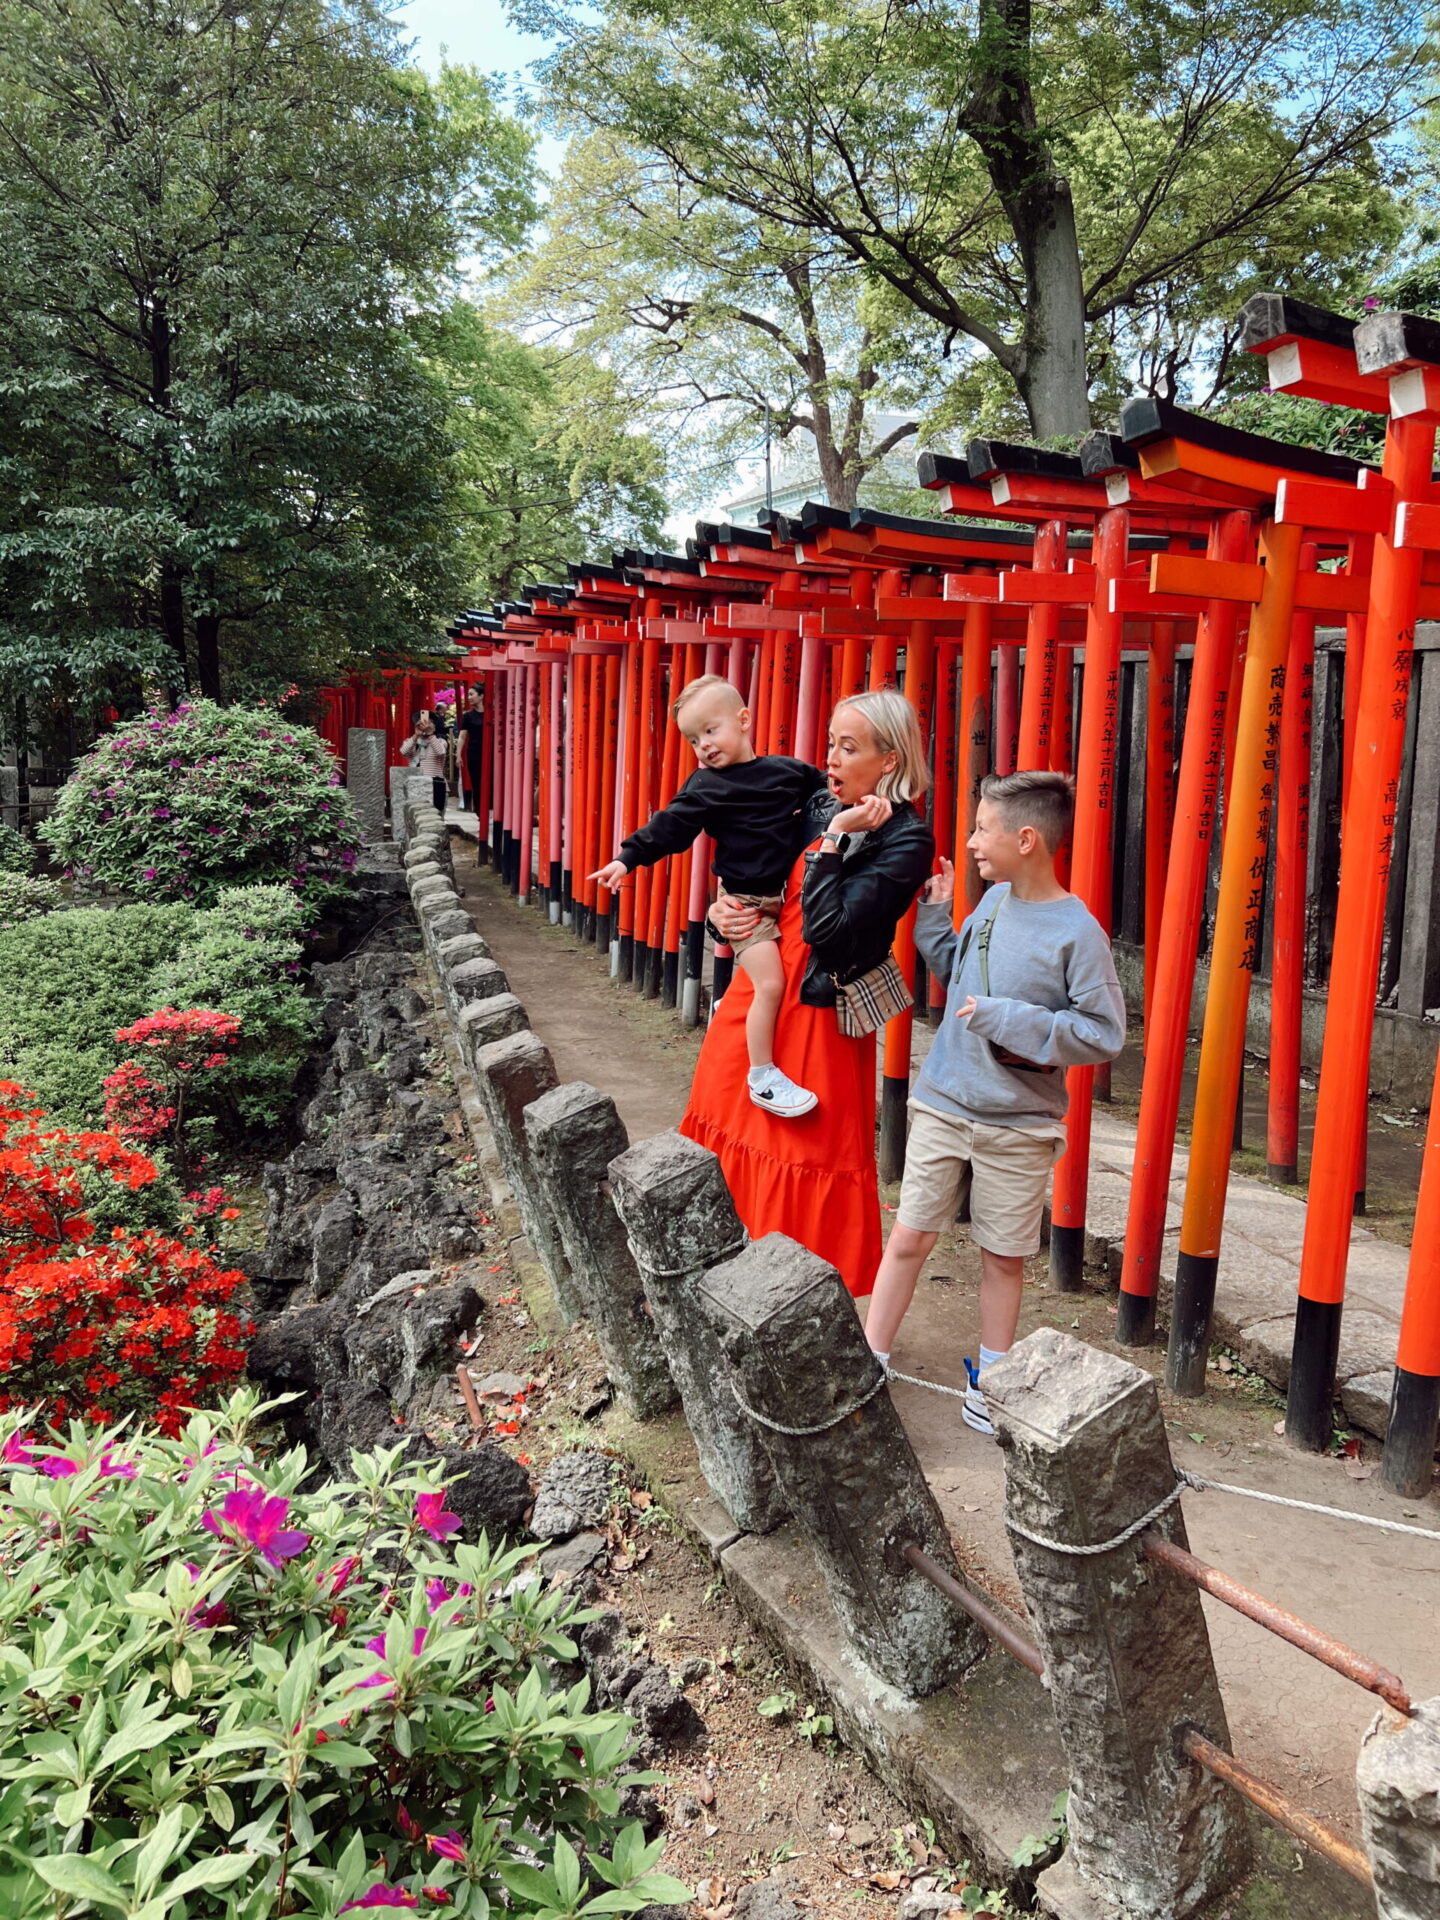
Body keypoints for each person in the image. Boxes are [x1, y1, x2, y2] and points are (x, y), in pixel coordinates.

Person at [864, 769, 1126, 1435]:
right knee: (909, 1238)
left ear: (1027, 839)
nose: (974, 841)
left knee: (1003, 1258)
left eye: (984, 828)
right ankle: (870, 1363)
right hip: (946, 1102)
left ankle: (993, 1382)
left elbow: (1103, 1034)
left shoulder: (1079, 933)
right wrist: (933, 909)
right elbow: (956, 971)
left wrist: (1010, 1020)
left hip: (1020, 1123)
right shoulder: (989, 904)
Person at [682, 689, 934, 1296]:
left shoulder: (907, 841)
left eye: (849, 749)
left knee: (805, 1149)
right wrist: (726, 910)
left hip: (821, 1005)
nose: (832, 760)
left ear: (890, 760)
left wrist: (832, 840)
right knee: (721, 1110)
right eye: (830, 745)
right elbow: (750, 859)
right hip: (761, 989)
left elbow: (829, 928)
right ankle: (708, 1274)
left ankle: (792, 1301)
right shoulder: (815, 802)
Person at [591, 674, 828, 1117]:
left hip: (789, 897)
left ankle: (734, 1008)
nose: (703, 745)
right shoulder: (706, 786)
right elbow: (668, 826)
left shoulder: (787, 772)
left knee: (776, 985)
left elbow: (826, 790)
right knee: (772, 984)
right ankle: (762, 1077)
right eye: (693, 739)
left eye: (710, 730)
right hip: (744, 905)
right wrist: (626, 859)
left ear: (743, 720)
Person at [401, 711, 449, 818]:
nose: (426, 725)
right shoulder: (412, 742)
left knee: (436, 817)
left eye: (430, 722)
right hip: (415, 784)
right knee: (416, 817)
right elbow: (403, 752)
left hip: (435, 784)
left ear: (435, 726)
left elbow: (440, 752)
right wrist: (415, 736)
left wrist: (431, 735)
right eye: (422, 722)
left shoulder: (440, 741)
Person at [457, 686, 485, 814]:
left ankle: (491, 810)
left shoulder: (493, 713)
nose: (469, 698)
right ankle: (479, 811)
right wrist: (458, 755)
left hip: (492, 753)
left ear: (481, 696)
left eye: (471, 694)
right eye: (468, 695)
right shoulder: (468, 715)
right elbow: (462, 736)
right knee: (476, 782)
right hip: (474, 752)